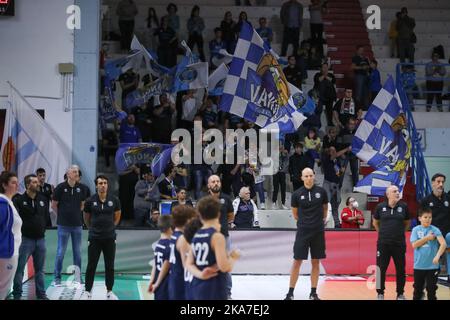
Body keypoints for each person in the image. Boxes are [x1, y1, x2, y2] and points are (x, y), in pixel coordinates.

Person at [285, 168, 328, 300]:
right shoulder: (297, 194)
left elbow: (325, 210)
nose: (309, 178)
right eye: (306, 176)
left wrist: (317, 222)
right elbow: (295, 214)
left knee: (315, 262)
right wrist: (306, 223)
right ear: (302, 178)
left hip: (318, 232)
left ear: (314, 176)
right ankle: (290, 293)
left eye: (311, 175)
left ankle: (313, 292)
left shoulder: (322, 192)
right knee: (297, 261)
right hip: (303, 231)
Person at [186, 196, 241, 300]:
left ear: (200, 215)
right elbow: (225, 267)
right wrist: (233, 257)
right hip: (215, 288)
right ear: (218, 214)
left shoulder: (196, 235)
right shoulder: (217, 237)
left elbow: (188, 263)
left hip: (198, 285)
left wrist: (201, 274)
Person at [82, 175, 121, 300]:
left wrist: (110, 228)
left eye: (105, 183)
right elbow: (86, 218)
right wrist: (93, 229)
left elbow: (117, 217)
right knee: (91, 265)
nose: (103, 185)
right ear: (96, 185)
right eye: (100, 183)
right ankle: (88, 291)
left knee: (110, 266)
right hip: (94, 238)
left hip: (109, 238)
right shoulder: (89, 201)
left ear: (107, 185)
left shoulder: (114, 200)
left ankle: (109, 291)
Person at [52, 165, 90, 286]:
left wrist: (75, 214)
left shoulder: (83, 188)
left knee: (78, 252)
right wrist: (63, 215)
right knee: (60, 252)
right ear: (68, 174)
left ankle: (78, 278)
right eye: (74, 171)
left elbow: (83, 205)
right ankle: (57, 278)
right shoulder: (60, 188)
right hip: (63, 225)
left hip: (77, 225)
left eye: (77, 171)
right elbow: (54, 205)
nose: (77, 173)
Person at [12, 175, 48, 300]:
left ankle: (41, 294)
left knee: (40, 270)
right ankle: (17, 294)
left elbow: (45, 218)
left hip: (41, 240)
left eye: (37, 182)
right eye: (34, 182)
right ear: (27, 185)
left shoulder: (43, 199)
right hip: (26, 240)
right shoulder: (19, 200)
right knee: (19, 268)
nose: (37, 184)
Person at [373, 185, 410, 300]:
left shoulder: (404, 206)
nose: (397, 193)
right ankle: (380, 293)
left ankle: (400, 293)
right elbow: (375, 223)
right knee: (380, 269)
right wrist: (384, 234)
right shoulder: (380, 207)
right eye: (394, 191)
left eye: (398, 191)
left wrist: (398, 233)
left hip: (399, 244)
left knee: (400, 269)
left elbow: (407, 223)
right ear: (388, 194)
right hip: (383, 244)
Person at [207, 175, 234, 299]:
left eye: (217, 181)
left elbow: (230, 216)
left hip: (224, 237)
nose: (216, 183)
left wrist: (221, 225)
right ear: (209, 185)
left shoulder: (227, 199)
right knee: (208, 264)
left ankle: (227, 292)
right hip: (208, 238)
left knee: (225, 266)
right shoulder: (204, 199)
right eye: (213, 182)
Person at [411, 207, 447, 300]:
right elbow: (414, 245)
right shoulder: (415, 229)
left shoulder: (435, 229)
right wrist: (427, 238)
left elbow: (443, 244)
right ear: (420, 218)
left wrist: (437, 256)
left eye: (430, 217)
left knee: (431, 290)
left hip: (432, 266)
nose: (428, 219)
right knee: (417, 291)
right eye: (425, 217)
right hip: (419, 266)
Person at [420, 173, 450, 283]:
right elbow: (422, 220)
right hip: (433, 235)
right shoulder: (426, 200)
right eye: (438, 181)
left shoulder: (448, 198)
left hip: (447, 235)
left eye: (442, 182)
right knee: (432, 259)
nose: (441, 184)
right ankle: (430, 280)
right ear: (433, 183)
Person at [0, 171, 21, 300]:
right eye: (13, 183)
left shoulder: (9, 202)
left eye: (17, 182)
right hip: (6, 253)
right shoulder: (2, 204)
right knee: (3, 289)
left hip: (10, 251)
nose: (17, 185)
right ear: (4, 185)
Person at [168, 205, 197, 300]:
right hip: (180, 280)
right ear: (187, 220)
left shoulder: (173, 236)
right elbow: (187, 265)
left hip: (174, 277)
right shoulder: (182, 239)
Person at [321, 146, 348, 227]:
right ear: (329, 152)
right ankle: (322, 222)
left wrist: (341, 172)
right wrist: (346, 149)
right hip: (328, 184)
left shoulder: (337, 161)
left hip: (336, 185)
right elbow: (335, 155)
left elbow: (338, 174)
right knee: (326, 203)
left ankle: (337, 223)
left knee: (335, 204)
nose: (333, 152)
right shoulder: (327, 158)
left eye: (334, 150)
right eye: (331, 151)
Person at [148, 215, 172, 300]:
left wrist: (152, 280)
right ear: (170, 228)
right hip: (166, 282)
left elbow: (155, 264)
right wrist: (157, 283)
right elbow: (166, 265)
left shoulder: (158, 244)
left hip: (158, 281)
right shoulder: (169, 245)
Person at [336, 117, 359, 187]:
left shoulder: (357, 132)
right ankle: (338, 187)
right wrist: (341, 154)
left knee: (355, 172)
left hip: (353, 155)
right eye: (350, 124)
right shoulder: (342, 132)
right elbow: (338, 144)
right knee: (341, 172)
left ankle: (356, 188)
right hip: (344, 155)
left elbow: (359, 144)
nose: (352, 125)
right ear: (347, 124)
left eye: (353, 124)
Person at [351, 45, 370, 110]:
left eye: (362, 50)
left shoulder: (365, 58)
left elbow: (369, 66)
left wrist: (367, 67)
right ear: (357, 51)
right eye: (360, 50)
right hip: (359, 76)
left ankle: (366, 108)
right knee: (358, 93)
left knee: (366, 93)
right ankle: (357, 108)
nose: (362, 51)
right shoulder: (355, 58)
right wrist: (361, 67)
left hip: (365, 76)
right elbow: (352, 67)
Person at [272, 144, 289, 210]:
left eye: (281, 146)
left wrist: (284, 154)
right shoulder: (273, 153)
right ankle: (274, 202)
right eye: (279, 146)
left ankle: (283, 203)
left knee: (283, 188)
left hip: (282, 172)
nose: (280, 147)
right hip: (275, 172)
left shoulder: (285, 154)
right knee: (276, 188)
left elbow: (287, 161)